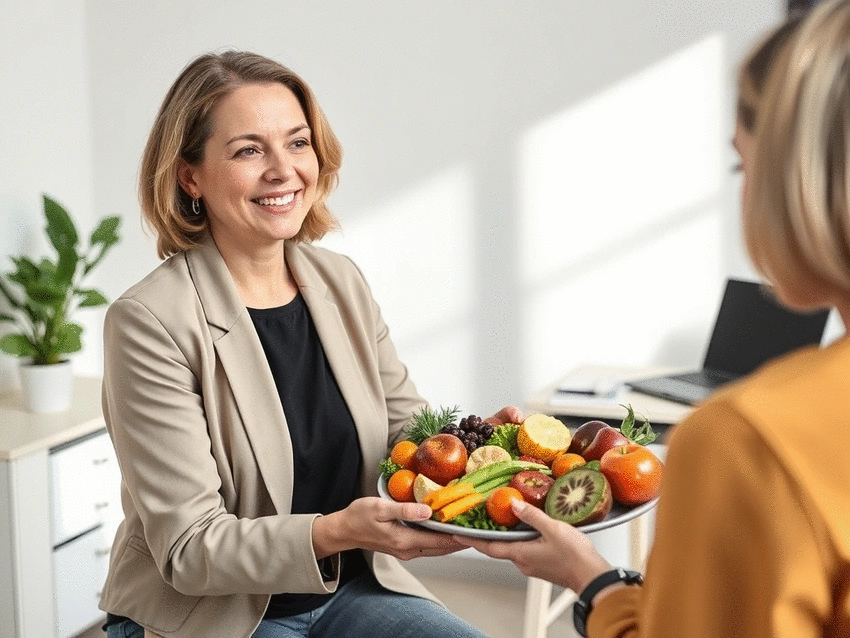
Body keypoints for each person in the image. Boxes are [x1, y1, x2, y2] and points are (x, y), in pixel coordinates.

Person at [98, 50, 521, 638]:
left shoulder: (338, 281)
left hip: (349, 590)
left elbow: (405, 432)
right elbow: (190, 547)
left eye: (297, 143)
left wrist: (472, 448)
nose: (283, 170)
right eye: (249, 150)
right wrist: (337, 531)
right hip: (220, 615)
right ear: (189, 175)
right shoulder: (149, 321)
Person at [458, 2, 850, 636]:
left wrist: (593, 582)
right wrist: (600, 580)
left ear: (799, 177)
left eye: (742, 167)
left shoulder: (748, 444)